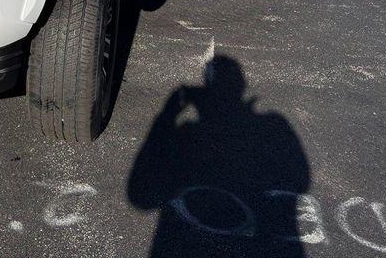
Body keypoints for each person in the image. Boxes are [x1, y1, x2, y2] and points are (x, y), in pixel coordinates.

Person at [128, 55, 312, 257]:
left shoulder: (271, 124)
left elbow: (140, 197)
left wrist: (168, 114)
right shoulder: (275, 123)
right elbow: (301, 177)